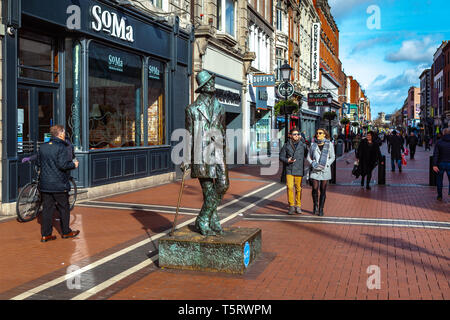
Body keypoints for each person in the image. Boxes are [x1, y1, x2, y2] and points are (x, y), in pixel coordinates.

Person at [182, 70, 229, 236]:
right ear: (201, 87)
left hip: (218, 152)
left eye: (212, 81)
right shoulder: (192, 109)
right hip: (200, 153)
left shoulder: (220, 108)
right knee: (208, 190)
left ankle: (203, 218)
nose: (211, 84)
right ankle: (212, 220)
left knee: (223, 184)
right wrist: (186, 158)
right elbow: (188, 135)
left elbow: (223, 131)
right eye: (208, 82)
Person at [37, 125, 79, 242]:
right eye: (64, 133)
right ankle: (66, 232)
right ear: (60, 134)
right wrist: (74, 165)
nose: (64, 135)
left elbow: (38, 163)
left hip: (45, 184)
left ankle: (46, 234)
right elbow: (63, 165)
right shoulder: (62, 147)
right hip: (59, 184)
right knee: (64, 208)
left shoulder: (43, 147)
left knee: (47, 209)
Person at [306, 128, 335, 216]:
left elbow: (332, 157)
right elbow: (308, 157)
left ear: (324, 135)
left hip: (325, 170)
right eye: (317, 133)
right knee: (314, 188)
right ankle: (315, 206)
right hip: (315, 170)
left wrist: (327, 164)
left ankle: (321, 209)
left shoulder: (329, 144)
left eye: (320, 133)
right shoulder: (313, 145)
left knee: (323, 190)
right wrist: (312, 163)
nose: (318, 134)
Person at [279, 127, 308, 215]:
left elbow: (306, 155)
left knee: (298, 188)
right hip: (289, 169)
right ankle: (291, 206)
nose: (296, 136)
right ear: (290, 135)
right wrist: (287, 160)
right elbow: (281, 156)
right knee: (290, 187)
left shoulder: (303, 145)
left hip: (299, 169)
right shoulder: (286, 145)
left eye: (298, 134)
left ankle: (298, 205)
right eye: (294, 134)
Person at [432, 127, 450, 201]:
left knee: (439, 180)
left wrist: (434, 165)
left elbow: (436, 154)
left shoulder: (439, 142)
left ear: (443, 133)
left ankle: (439, 195)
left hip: (440, 163)